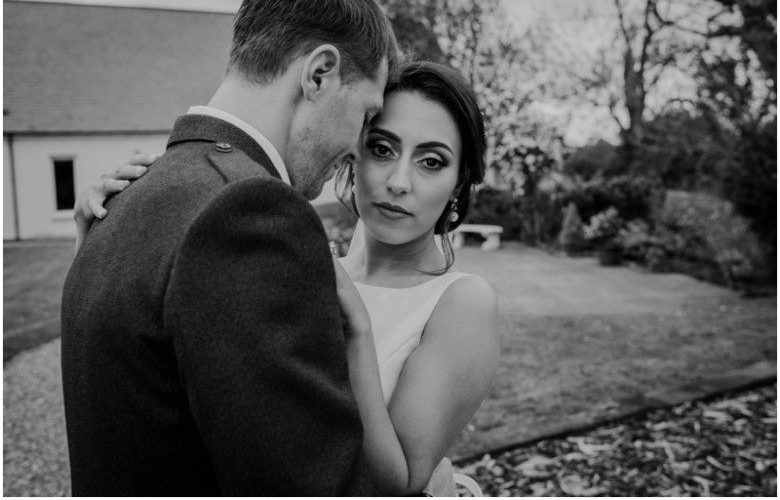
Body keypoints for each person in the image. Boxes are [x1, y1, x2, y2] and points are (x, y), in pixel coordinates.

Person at [76, 61, 501, 496]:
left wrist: (358, 336)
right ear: (353, 152)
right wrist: (109, 236)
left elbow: (398, 484)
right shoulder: (300, 259)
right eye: (382, 149)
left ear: (458, 183)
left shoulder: (462, 303)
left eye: (431, 161)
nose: (398, 181)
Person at [60, 0, 399, 496]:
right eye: (367, 115)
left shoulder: (125, 199)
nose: (357, 147)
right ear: (320, 73)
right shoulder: (251, 211)